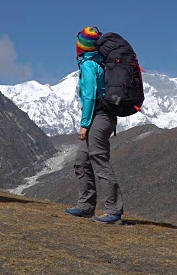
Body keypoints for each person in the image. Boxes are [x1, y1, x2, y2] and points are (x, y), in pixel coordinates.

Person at [65, 26, 124, 224]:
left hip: (99, 117)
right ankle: (86, 206)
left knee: (99, 161)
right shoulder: (98, 62)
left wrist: (84, 125)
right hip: (101, 116)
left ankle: (113, 211)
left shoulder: (90, 65)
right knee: (82, 161)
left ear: (81, 46)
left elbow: (89, 96)